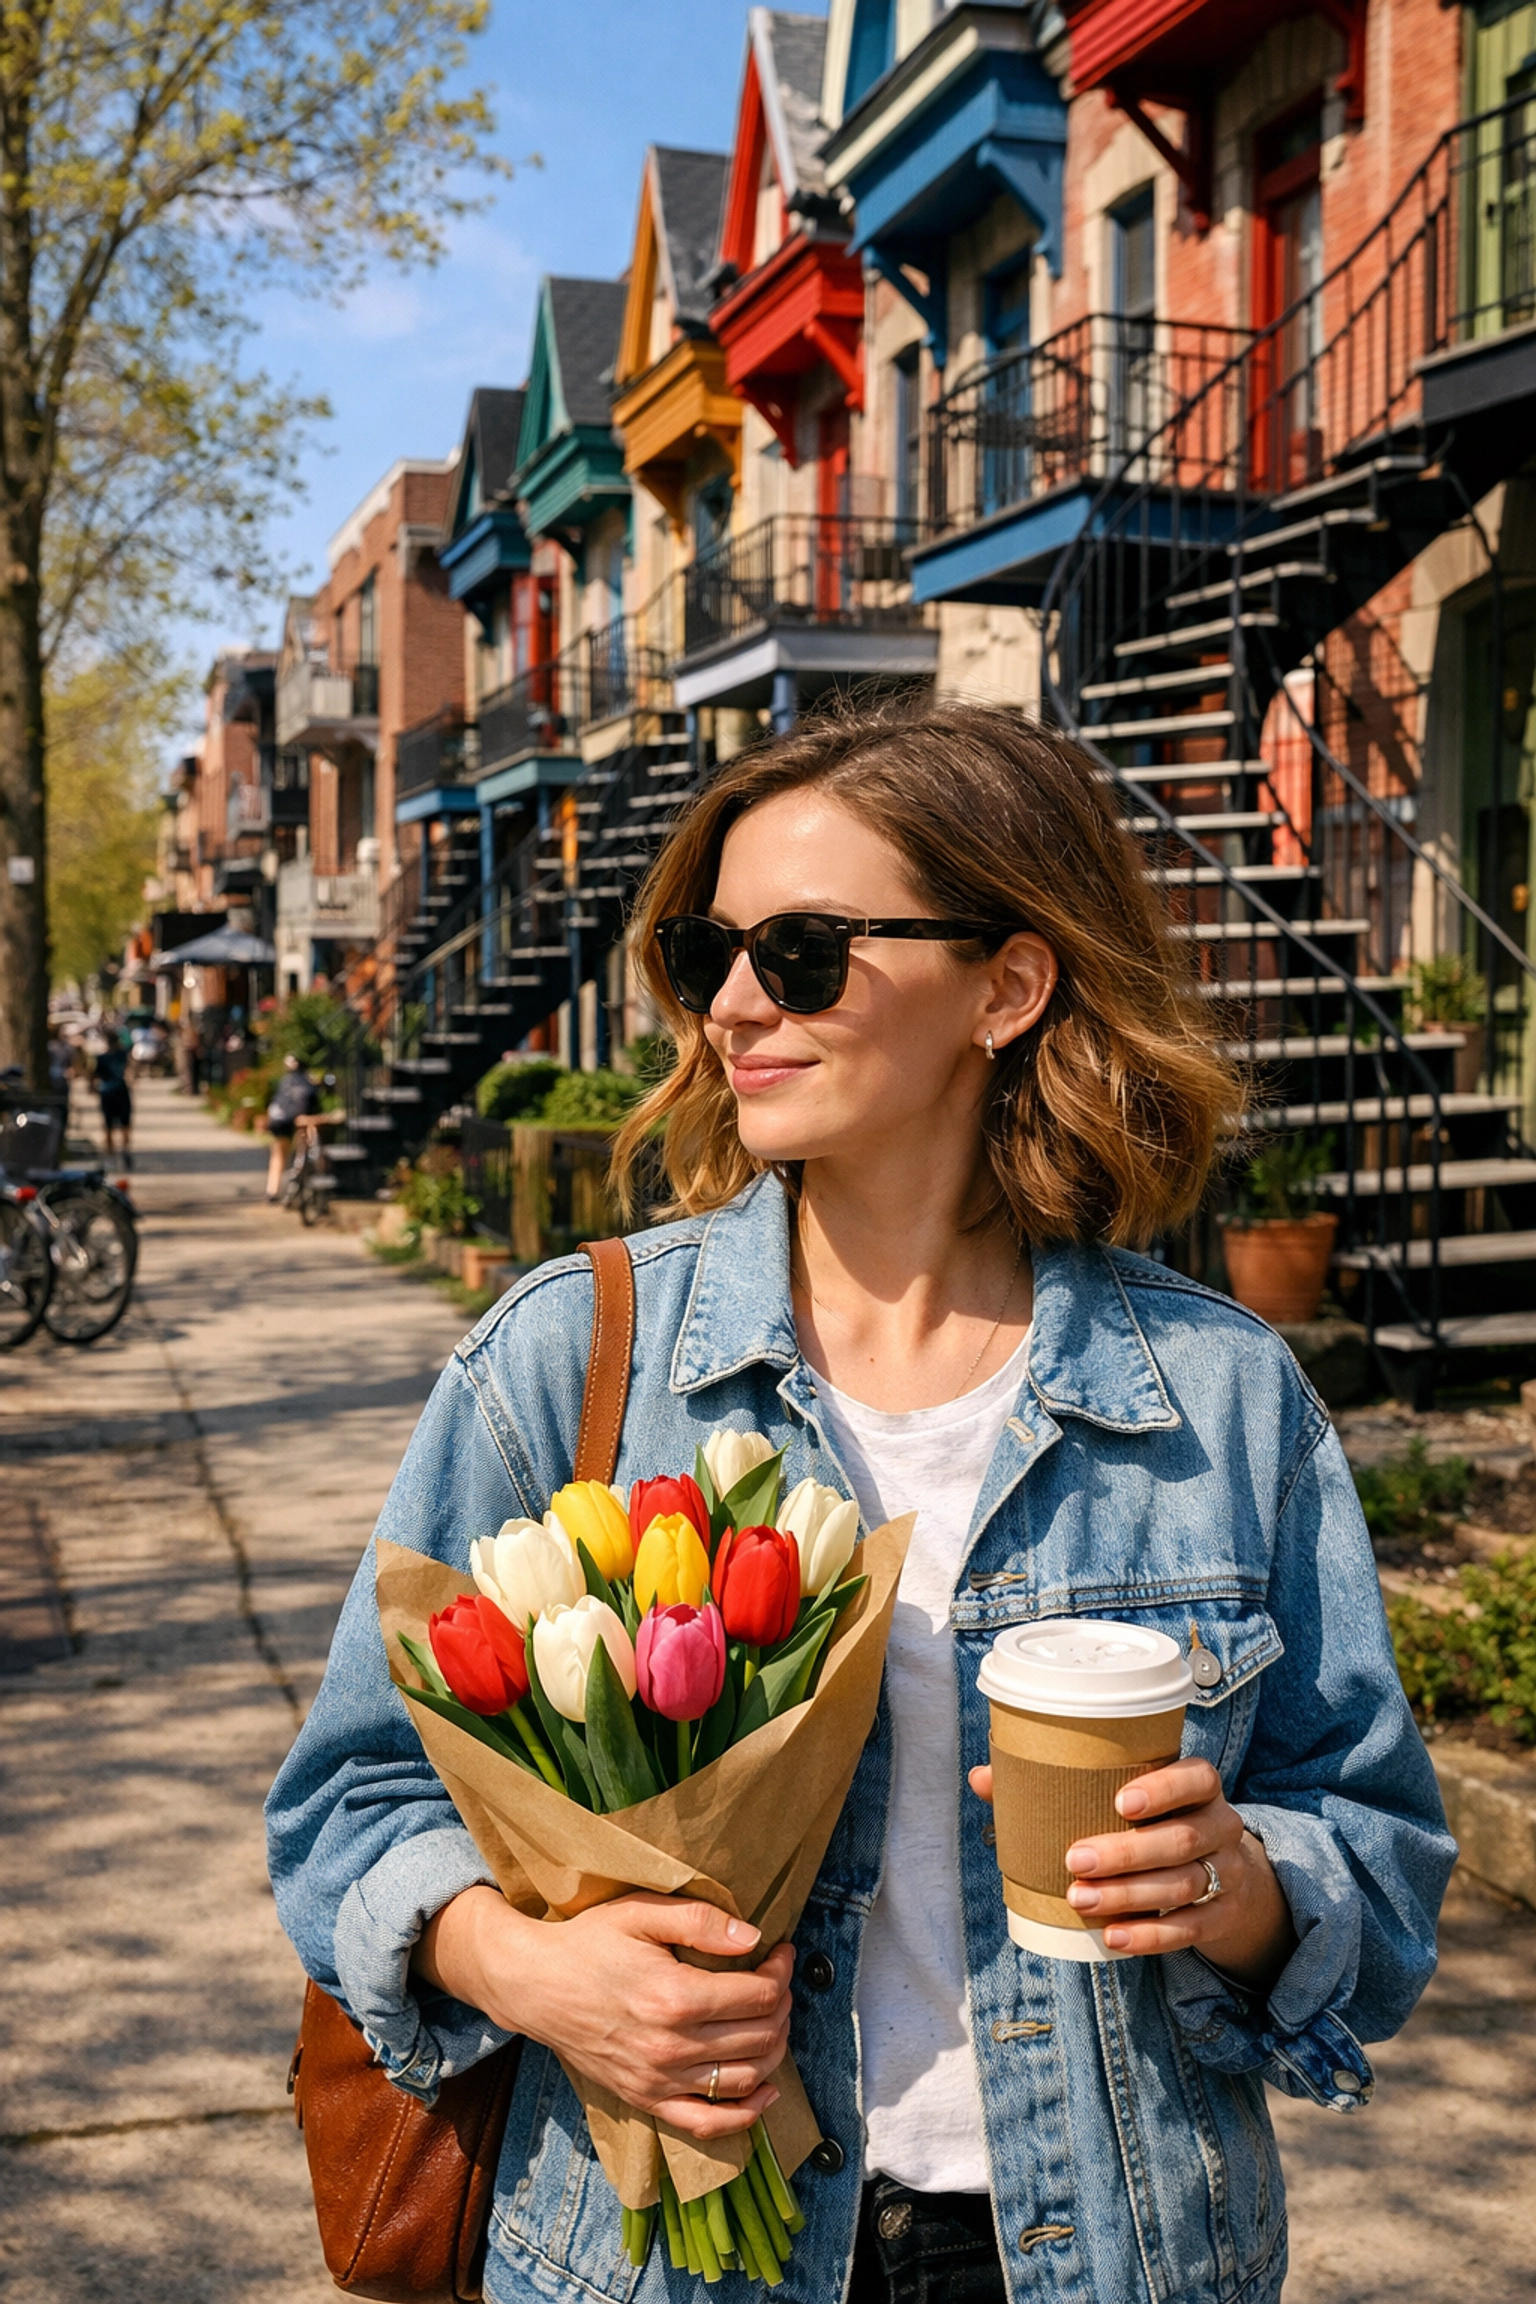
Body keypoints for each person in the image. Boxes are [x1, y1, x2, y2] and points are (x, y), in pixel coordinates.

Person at [266, 701, 1453, 2304]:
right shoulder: (571, 1363)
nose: (739, 1005)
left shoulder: (1221, 1402)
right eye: (711, 956)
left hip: (1106, 2253)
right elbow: (349, 1807)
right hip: (651, 2260)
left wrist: (1243, 1888)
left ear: (1009, 985)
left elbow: (1375, 1854)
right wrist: (536, 1971)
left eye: (807, 951)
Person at [264, 1053, 318, 1203]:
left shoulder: (284, 1081)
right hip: (297, 1120)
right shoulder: (308, 1083)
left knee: (278, 1154)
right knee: (305, 1147)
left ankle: (272, 1190)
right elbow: (312, 1105)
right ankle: (300, 1178)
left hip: (277, 1118)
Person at [92, 1028, 134, 1166]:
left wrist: (92, 1088)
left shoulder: (101, 1058)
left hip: (107, 1090)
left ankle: (110, 1153)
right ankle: (125, 1149)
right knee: (125, 1123)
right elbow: (130, 1071)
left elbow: (94, 1076)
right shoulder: (123, 1055)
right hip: (121, 1089)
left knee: (108, 1124)